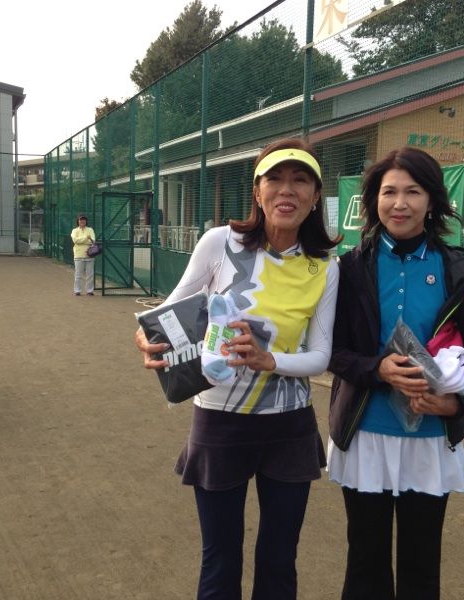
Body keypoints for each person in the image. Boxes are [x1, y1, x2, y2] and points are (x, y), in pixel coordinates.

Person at [135, 138, 340, 599]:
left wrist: (270, 360)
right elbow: (168, 315)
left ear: (314, 197)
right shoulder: (218, 243)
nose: (286, 190)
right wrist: (146, 339)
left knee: (279, 560)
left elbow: (321, 355)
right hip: (220, 422)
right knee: (220, 560)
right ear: (257, 192)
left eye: (300, 180)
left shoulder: (326, 267)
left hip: (289, 426)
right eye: (275, 179)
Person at [327, 147, 464, 599]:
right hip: (366, 433)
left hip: (430, 439)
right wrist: (377, 368)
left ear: (433, 200)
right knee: (365, 562)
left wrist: (455, 401)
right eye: (389, 192)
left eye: (413, 192)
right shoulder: (350, 268)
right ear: (373, 200)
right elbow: (332, 352)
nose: (400, 203)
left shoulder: (460, 268)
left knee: (421, 565)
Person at [70, 214, 95, 296]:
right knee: (78, 274)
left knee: (90, 275)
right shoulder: (74, 230)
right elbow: (75, 241)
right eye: (81, 219)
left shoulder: (90, 230)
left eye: (84, 219)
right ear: (78, 221)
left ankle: (89, 291)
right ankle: (77, 290)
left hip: (89, 255)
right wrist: (86, 238)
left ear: (86, 221)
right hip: (78, 255)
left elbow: (93, 241)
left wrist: (82, 240)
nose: (82, 221)